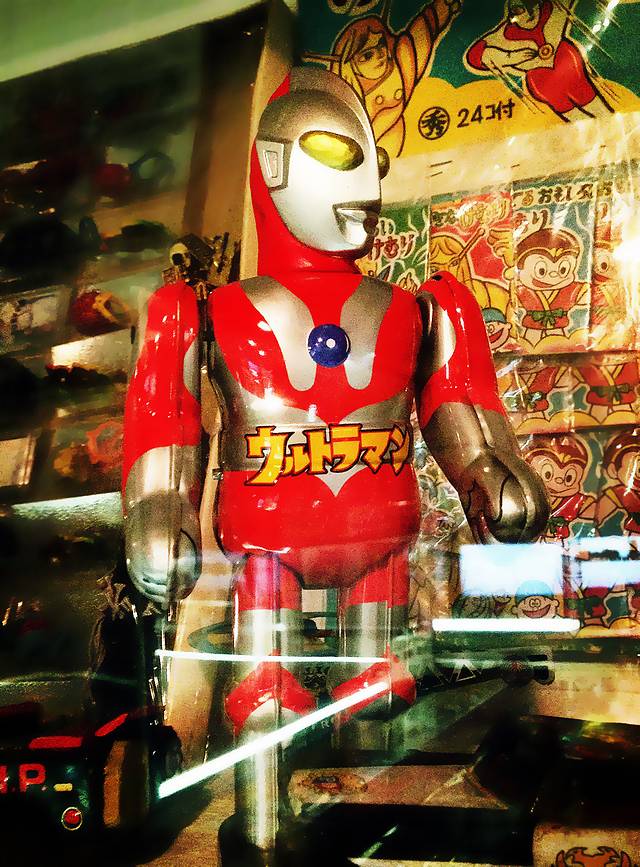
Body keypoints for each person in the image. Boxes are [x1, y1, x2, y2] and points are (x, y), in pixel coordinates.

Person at [325, 0, 461, 156]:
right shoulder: (346, 97)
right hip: (364, 160)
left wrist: (442, 7)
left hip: (406, 153)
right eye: (367, 55)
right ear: (349, 64)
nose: (380, 55)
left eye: (381, 45)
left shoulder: (400, 67)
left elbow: (421, 33)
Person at [466, 0, 614, 121]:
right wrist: (511, 57)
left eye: (531, 6)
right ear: (512, 12)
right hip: (541, 79)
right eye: (519, 9)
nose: (528, 13)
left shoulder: (552, 10)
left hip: (569, 64)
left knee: (593, 103)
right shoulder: (505, 34)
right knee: (572, 116)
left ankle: (611, 130)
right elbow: (475, 57)